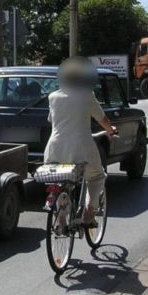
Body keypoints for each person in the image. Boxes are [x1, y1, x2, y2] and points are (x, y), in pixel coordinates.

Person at [43, 56, 117, 227]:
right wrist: (110, 131)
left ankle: (61, 220)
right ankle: (89, 213)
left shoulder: (53, 97)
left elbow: (51, 120)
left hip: (55, 148)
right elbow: (102, 118)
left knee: (58, 181)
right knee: (97, 176)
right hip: (81, 147)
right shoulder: (87, 95)